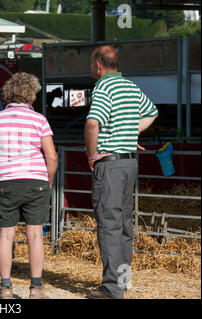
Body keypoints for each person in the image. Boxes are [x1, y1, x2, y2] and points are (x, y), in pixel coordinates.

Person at [84, 45, 158, 299]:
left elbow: (93, 122)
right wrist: (129, 132)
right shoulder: (129, 86)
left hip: (110, 165)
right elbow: (151, 112)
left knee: (109, 223)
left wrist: (92, 155)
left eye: (91, 64)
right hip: (129, 163)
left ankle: (112, 288)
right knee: (125, 223)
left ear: (98, 65)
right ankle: (123, 280)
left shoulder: (104, 87)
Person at [0, 72, 58, 299]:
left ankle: (5, 287)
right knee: (35, 234)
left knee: (5, 235)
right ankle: (36, 287)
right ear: (32, 96)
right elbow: (51, 157)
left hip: (5, 181)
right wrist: (49, 180)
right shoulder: (39, 120)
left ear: (7, 95)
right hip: (36, 180)